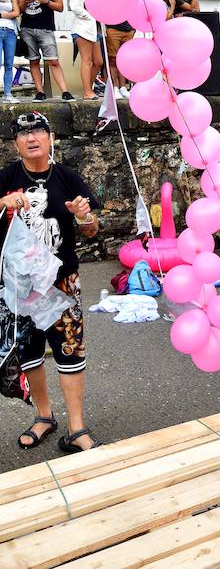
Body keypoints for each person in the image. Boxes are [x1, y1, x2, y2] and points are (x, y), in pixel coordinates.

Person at [0, 111, 100, 451]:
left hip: (62, 282)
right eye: (23, 134)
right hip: (20, 286)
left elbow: (92, 228)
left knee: (69, 351)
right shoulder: (6, 178)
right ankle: (44, 416)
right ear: (15, 143)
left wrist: (84, 216)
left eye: (38, 132)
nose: (31, 138)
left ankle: (76, 428)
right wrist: (3, 202)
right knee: (28, 353)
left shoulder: (69, 178)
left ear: (50, 138)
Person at [15, 0, 74, 101]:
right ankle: (40, 92)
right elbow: (18, 11)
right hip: (27, 28)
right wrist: (23, 3)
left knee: (53, 61)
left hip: (46, 28)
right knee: (33, 61)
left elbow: (60, 7)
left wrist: (45, 1)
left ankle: (65, 92)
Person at [69, 0, 104, 101]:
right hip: (82, 29)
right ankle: (88, 92)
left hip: (93, 31)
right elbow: (75, 7)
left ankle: (88, 88)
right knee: (87, 60)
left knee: (98, 61)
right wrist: (90, 16)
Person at [0, 0, 20, 103]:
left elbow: (16, 12)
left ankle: (7, 93)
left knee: (9, 63)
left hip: (10, 31)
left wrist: (1, 15)